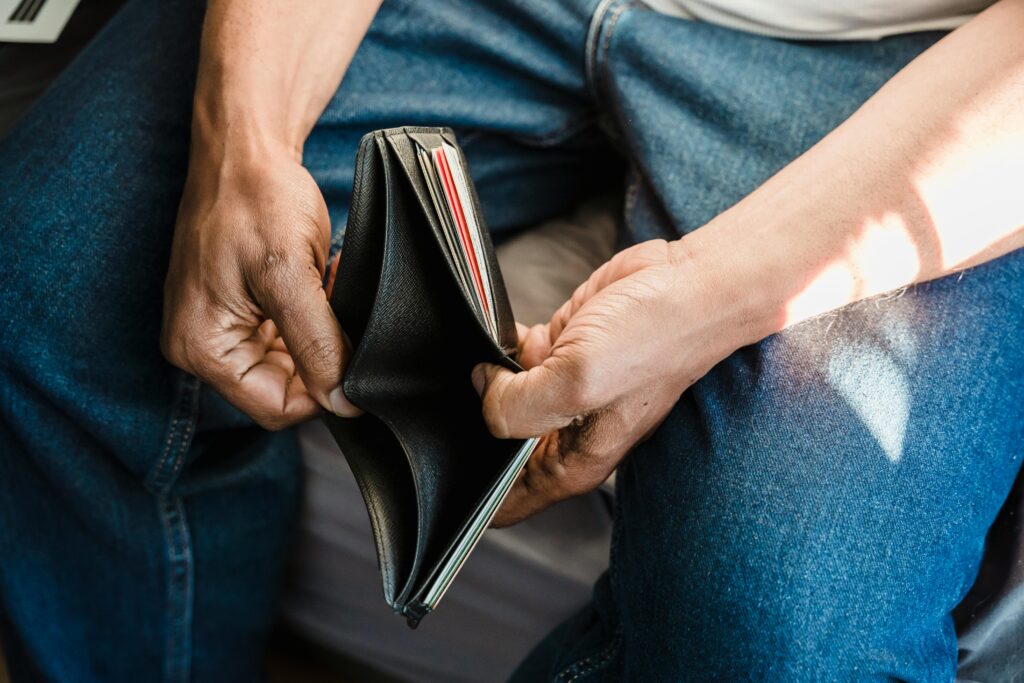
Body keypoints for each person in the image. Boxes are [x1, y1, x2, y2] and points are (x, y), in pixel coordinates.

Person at [1, 0, 1022, 680]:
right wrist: (246, 134)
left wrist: (715, 293)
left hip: (926, 69)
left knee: (779, 632)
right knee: (53, 282)